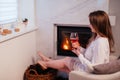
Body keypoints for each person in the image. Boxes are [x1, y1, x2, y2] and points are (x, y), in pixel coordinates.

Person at [37, 10, 115, 73]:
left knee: (66, 61)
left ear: (98, 25)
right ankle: (48, 61)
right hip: (88, 68)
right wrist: (79, 48)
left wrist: (79, 54)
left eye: (91, 23)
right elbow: (90, 54)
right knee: (66, 62)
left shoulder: (100, 42)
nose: (89, 25)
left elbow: (94, 68)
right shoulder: (98, 38)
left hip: (90, 72)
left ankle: (46, 63)